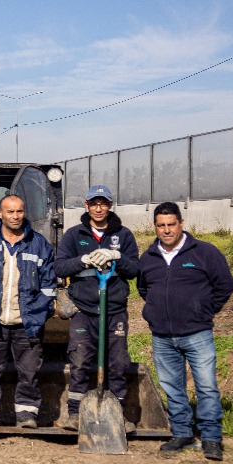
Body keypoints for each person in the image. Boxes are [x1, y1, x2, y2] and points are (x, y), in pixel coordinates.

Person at [138, 203, 233, 461]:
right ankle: (181, 433)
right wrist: (156, 311)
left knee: (206, 386)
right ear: (155, 227)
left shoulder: (205, 252)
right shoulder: (148, 257)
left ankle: (211, 438)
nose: (167, 230)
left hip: (197, 333)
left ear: (181, 223)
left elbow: (225, 285)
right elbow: (144, 288)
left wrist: (203, 310)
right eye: (161, 225)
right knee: (173, 387)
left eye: (171, 224)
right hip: (162, 336)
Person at [52, 184, 141, 432]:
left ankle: (117, 414)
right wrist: (82, 260)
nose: (99, 208)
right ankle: (75, 414)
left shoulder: (123, 236)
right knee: (79, 360)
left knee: (119, 362)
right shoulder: (74, 235)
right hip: (84, 309)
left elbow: (135, 270)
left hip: (114, 309)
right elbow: (59, 268)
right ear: (87, 205)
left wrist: (117, 258)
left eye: (103, 203)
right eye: (94, 203)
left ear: (110, 205)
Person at [0, 195, 56, 428]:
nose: (15, 216)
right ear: (0, 213)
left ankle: (27, 413)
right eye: (10, 212)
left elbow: (49, 285)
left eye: (20, 211)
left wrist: (39, 314)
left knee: (29, 371)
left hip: (27, 322)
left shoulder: (39, 244)